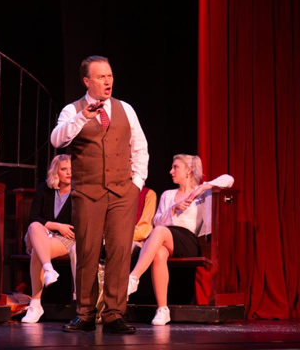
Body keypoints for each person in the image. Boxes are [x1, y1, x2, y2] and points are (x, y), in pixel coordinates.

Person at [51, 55, 148, 334]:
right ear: (87, 81)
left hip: (122, 192)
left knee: (119, 251)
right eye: (101, 77)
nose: (108, 81)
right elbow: (57, 139)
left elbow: (139, 147)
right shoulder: (73, 110)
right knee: (87, 251)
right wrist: (84, 116)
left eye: (110, 76)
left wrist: (137, 183)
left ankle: (114, 314)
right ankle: (85, 313)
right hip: (88, 192)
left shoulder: (125, 109)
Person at [127, 154, 234, 325]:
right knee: (159, 252)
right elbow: (157, 222)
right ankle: (163, 309)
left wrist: (202, 188)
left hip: (190, 241)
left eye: (175, 167)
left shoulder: (203, 194)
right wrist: (173, 209)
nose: (171, 171)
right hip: (167, 237)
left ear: (189, 170)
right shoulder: (168, 195)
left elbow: (229, 180)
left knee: (160, 232)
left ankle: (133, 278)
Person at [21, 154, 75, 323]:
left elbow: (75, 226)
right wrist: (57, 225)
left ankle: (35, 304)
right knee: (34, 226)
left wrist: (59, 230)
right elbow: (33, 217)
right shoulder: (44, 189)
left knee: (38, 251)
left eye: (71, 169)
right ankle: (48, 268)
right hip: (40, 234)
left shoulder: (78, 192)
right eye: (64, 169)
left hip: (65, 239)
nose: (69, 173)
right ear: (55, 172)